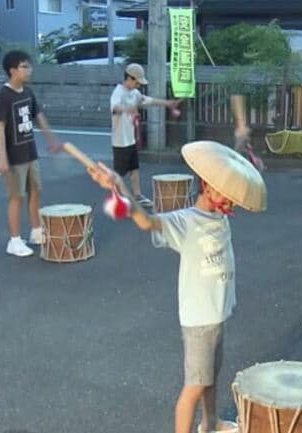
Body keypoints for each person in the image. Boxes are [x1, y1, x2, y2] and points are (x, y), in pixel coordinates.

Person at [86, 140, 266, 433]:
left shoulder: (219, 217)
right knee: (194, 386)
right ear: (207, 186)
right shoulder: (186, 222)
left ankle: (210, 422)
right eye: (227, 193)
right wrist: (118, 184)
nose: (232, 201)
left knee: (211, 375)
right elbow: (146, 222)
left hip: (216, 313)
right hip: (199, 320)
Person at [0, 50, 62, 257]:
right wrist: (2, 158)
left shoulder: (28, 92)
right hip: (14, 157)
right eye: (25, 66)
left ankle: (36, 230)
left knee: (36, 191)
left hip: (30, 152)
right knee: (16, 197)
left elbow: (38, 116)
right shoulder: (3, 96)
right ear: (12, 71)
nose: (29, 70)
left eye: (29, 66)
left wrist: (51, 139)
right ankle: (14, 240)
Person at [110, 63, 181, 207]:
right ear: (129, 78)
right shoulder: (118, 92)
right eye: (137, 82)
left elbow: (148, 100)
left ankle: (137, 196)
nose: (138, 85)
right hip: (120, 141)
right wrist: (127, 109)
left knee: (134, 169)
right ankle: (118, 199)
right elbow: (115, 107)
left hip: (130, 139)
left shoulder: (135, 93)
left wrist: (167, 103)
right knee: (119, 174)